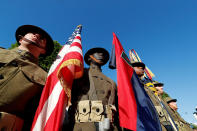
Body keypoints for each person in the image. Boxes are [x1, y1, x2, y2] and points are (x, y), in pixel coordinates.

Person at [0, 25, 54, 130]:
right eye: (32, 33)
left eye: (42, 38)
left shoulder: (46, 77)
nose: (37, 35)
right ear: (20, 39)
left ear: (44, 50)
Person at [66, 47, 120, 131]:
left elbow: (117, 109)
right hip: (82, 126)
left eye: (103, 53)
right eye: (97, 52)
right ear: (89, 57)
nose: (101, 54)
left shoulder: (111, 83)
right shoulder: (78, 76)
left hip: (107, 126)